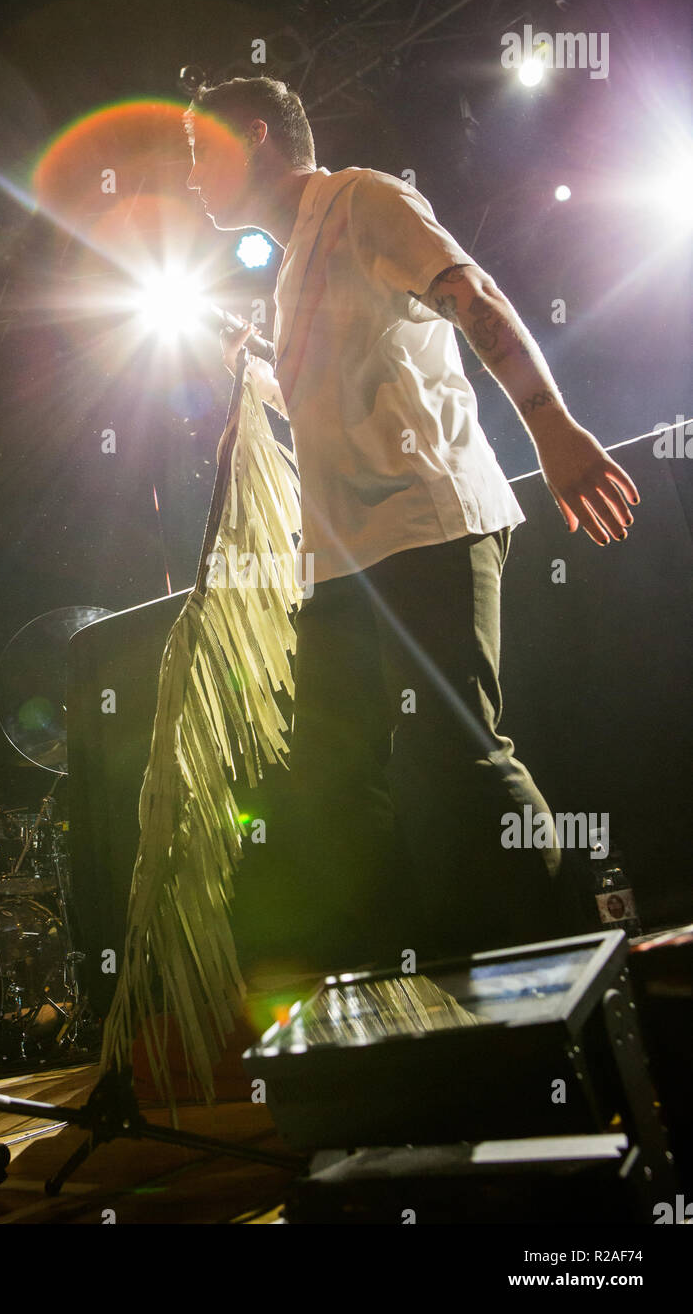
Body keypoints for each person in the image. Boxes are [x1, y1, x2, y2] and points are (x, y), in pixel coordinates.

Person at [183, 76, 639, 973]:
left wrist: (551, 426)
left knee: (454, 755)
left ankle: (568, 966)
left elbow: (473, 295)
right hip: (345, 558)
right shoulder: (291, 268)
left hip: (426, 525)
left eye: (200, 152)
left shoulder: (363, 198)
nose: (193, 178)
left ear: (255, 136)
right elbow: (342, 389)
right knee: (334, 778)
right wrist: (258, 359)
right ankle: (415, 981)